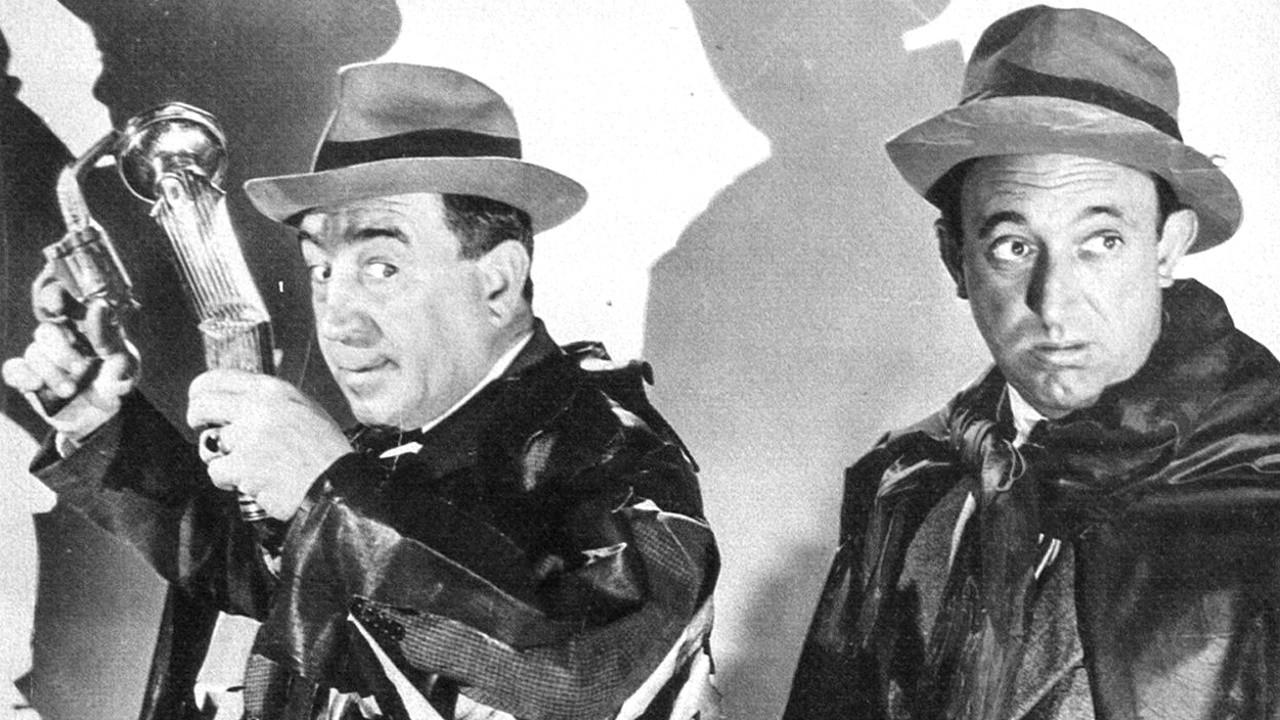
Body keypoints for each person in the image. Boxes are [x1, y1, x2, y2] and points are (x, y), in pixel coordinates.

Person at [3, 62, 719, 720]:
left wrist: (332, 491)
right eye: (321, 270)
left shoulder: (617, 457)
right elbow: (262, 570)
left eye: (381, 267)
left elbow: (585, 684)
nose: (336, 321)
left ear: (498, 282)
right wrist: (100, 424)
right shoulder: (403, 446)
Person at [784, 6, 1280, 719]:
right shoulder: (911, 485)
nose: (1054, 303)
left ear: (1168, 247)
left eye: (1101, 242)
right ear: (955, 259)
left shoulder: (1262, 488)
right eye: (1013, 247)